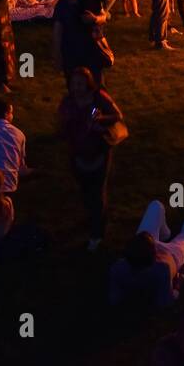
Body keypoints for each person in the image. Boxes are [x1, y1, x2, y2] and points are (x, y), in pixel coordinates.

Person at [58, 67, 125, 250]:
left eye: (81, 83)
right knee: (85, 190)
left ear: (88, 83)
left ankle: (97, 232)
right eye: (74, 84)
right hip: (78, 151)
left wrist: (101, 119)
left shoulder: (98, 97)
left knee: (97, 191)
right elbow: (61, 125)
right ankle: (94, 217)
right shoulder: (68, 102)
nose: (77, 88)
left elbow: (117, 115)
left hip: (98, 151)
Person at [108, 201, 184, 309]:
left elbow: (113, 299)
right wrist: (179, 285)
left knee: (156, 206)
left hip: (144, 245)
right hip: (172, 254)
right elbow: (166, 302)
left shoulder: (118, 268)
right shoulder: (162, 270)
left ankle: (166, 234)